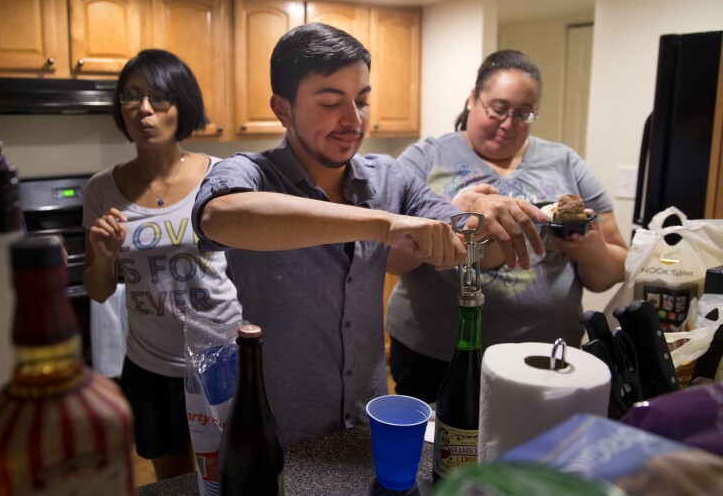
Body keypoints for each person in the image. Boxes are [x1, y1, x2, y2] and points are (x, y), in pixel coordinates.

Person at [191, 23, 546, 444]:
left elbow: (467, 242)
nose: (352, 119)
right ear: (282, 109)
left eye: (362, 100)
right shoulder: (250, 172)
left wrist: (481, 217)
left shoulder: (390, 178)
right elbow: (221, 217)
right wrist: (382, 223)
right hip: (278, 425)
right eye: (330, 102)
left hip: (369, 420)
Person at [385, 49, 628, 404]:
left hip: (544, 356)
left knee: (531, 456)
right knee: (441, 455)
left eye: (523, 113)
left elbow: (611, 269)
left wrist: (594, 252)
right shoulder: (425, 158)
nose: (509, 123)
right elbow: (391, 259)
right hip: (436, 355)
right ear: (472, 99)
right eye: (497, 109)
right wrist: (448, 215)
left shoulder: (564, 162)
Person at [82, 49, 242, 480]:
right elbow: (98, 290)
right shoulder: (101, 189)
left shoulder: (222, 176)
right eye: (131, 96)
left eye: (159, 97)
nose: (144, 109)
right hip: (150, 365)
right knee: (171, 480)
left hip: (220, 356)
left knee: (229, 473)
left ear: (182, 105)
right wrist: (103, 255)